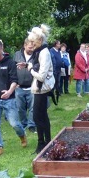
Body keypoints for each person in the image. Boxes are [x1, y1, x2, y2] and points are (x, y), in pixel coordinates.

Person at [0, 39, 27, 158]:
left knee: (14, 124)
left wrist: (9, 92)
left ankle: (22, 136)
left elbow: (15, 80)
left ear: (2, 48)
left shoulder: (10, 63)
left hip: (9, 99)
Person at [27, 24, 55, 154]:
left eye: (33, 42)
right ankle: (45, 143)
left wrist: (31, 69)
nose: (31, 44)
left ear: (40, 40)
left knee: (38, 117)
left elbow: (41, 76)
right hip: (39, 88)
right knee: (42, 116)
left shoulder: (44, 53)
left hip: (42, 88)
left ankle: (43, 143)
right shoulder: (39, 52)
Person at [14, 38, 36, 133]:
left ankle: (31, 125)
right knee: (20, 108)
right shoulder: (17, 55)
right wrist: (14, 83)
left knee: (33, 107)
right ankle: (23, 124)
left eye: (33, 47)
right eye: (30, 47)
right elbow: (12, 70)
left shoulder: (36, 55)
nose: (32, 49)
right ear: (25, 45)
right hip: (19, 87)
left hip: (32, 86)